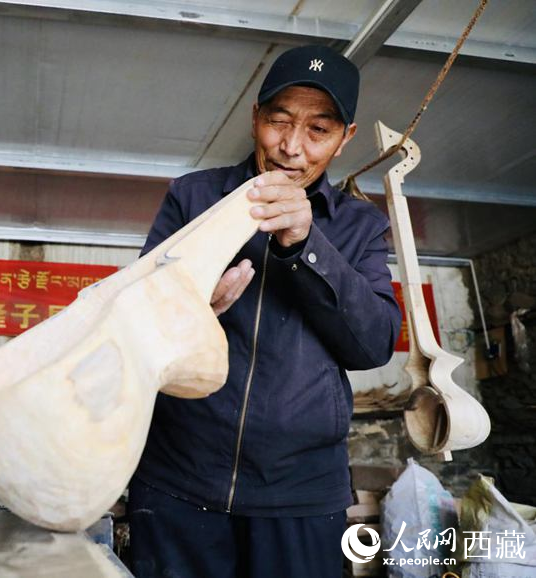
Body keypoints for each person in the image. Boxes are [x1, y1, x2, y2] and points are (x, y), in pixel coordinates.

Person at [127, 45, 402, 577]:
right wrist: (190, 308)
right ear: (255, 117)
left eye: (318, 130)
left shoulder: (361, 227)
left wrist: (308, 243)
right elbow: (133, 322)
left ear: (345, 138)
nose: (291, 147)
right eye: (279, 121)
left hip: (300, 492)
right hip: (179, 478)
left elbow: (372, 345)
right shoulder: (193, 197)